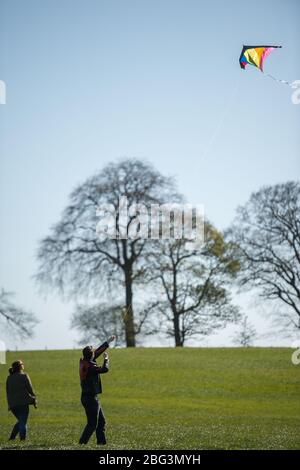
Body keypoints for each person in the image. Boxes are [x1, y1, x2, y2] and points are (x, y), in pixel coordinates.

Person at [79, 335, 115, 445]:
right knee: (92, 424)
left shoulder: (85, 361)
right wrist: (106, 359)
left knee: (101, 422)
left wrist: (108, 341)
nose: (95, 352)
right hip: (90, 399)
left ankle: (101, 443)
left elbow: (97, 352)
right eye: (93, 352)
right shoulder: (90, 367)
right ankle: (82, 443)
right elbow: (105, 369)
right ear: (91, 355)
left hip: (89, 397)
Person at [6, 360, 37, 441]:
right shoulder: (24, 376)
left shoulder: (9, 378)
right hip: (23, 403)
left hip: (13, 404)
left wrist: (9, 404)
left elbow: (8, 392)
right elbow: (30, 389)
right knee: (23, 422)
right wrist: (34, 398)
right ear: (20, 366)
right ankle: (22, 439)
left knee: (21, 421)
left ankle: (12, 438)